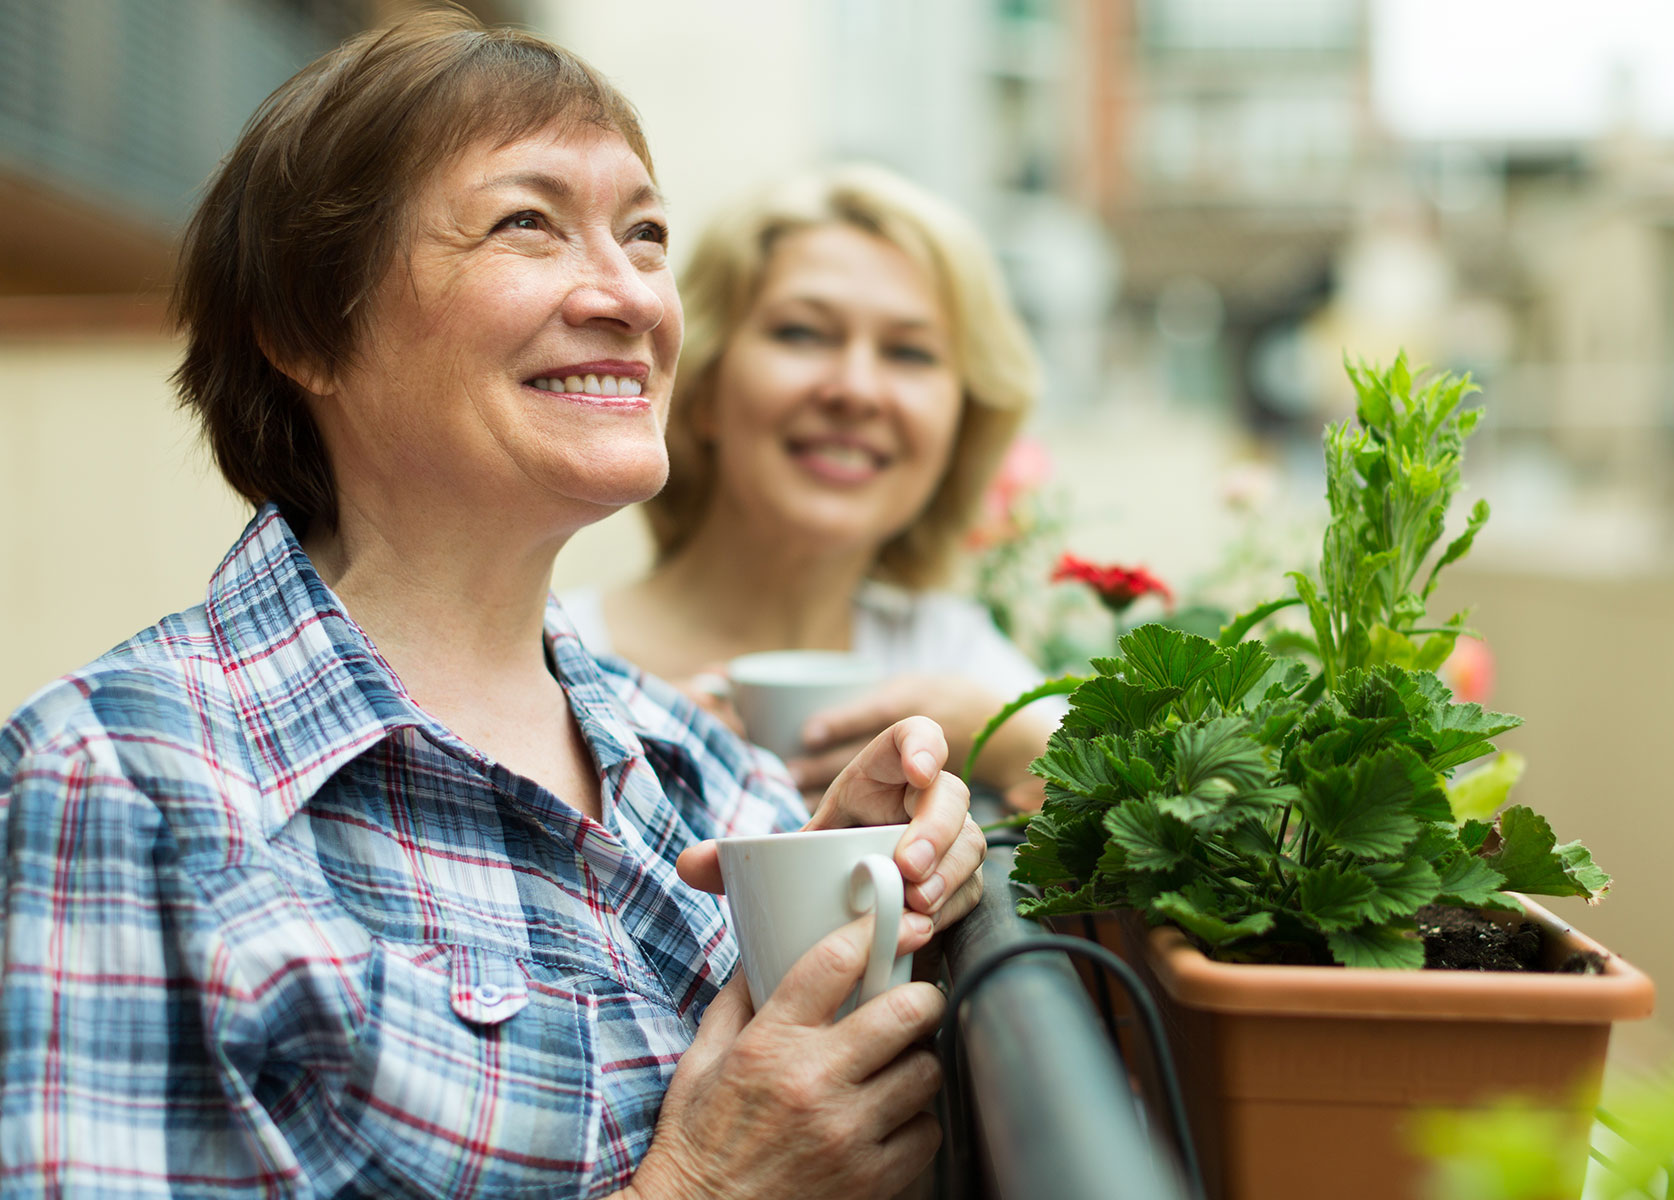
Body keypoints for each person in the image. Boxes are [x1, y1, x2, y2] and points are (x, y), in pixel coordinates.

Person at [0, 13, 983, 1198]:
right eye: (528, 224)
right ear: (308, 328)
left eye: (646, 235)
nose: (629, 297)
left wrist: (851, 900)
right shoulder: (119, 780)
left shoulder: (711, 777)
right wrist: (697, 1189)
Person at [592, 165, 1061, 813]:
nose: (857, 390)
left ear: (960, 423)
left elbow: (1187, 828)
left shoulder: (950, 656)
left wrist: (1002, 737)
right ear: (700, 388)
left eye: (910, 353)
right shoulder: (559, 655)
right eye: (802, 334)